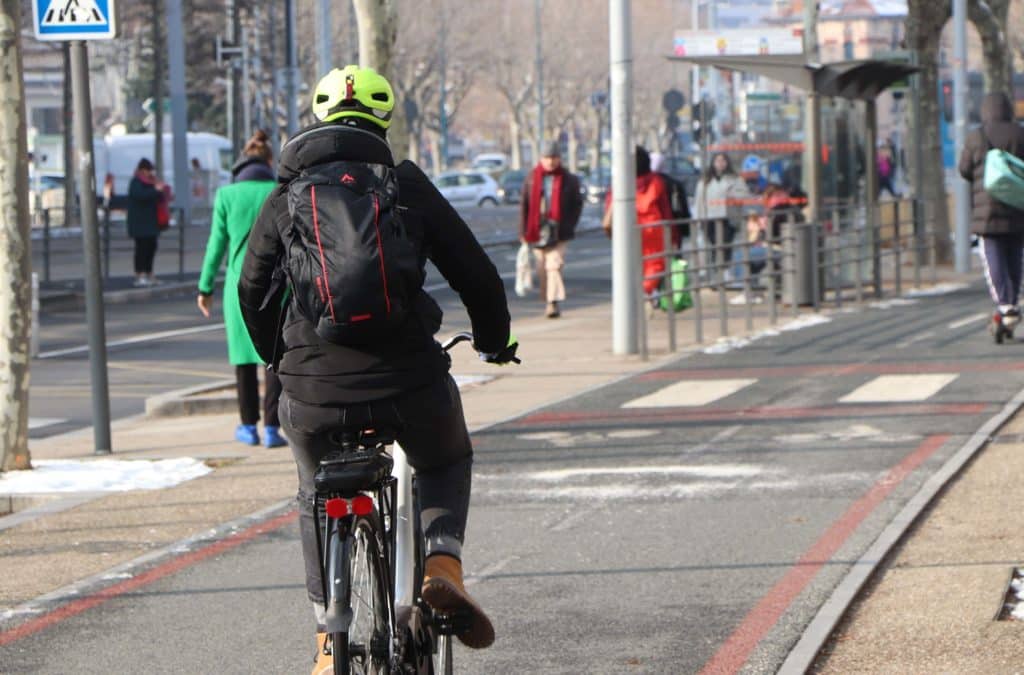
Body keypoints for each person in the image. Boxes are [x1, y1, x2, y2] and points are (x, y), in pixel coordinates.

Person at [237, 66, 513, 672]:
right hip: (407, 379)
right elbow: (476, 275)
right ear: (382, 121)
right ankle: (442, 564)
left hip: (312, 387)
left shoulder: (286, 197)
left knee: (315, 491)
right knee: (444, 458)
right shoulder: (404, 184)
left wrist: (279, 361)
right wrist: (495, 340)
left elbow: (251, 290)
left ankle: (326, 637)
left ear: (317, 118)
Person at [197, 130, 285, 448]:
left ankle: (248, 426)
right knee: (273, 357)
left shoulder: (227, 196)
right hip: (278, 285)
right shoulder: (278, 192)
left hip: (238, 287)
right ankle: (274, 427)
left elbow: (215, 246)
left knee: (243, 359)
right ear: (270, 161)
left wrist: (205, 287)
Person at [958, 91, 1024, 336]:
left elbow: (964, 169)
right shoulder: (1020, 133)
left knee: (994, 260)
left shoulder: (976, 137)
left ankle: (1006, 306)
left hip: (987, 213)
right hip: (1018, 208)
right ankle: (1012, 303)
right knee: (1015, 259)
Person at [519, 141, 583, 318]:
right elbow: (524, 205)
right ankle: (548, 297)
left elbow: (577, 204)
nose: (551, 161)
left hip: (560, 232)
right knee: (542, 269)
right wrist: (523, 232)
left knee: (554, 265)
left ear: (559, 159)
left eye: (554, 157)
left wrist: (570, 224)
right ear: (541, 158)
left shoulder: (569, 179)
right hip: (537, 231)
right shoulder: (532, 178)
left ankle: (552, 303)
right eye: (547, 157)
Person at [602, 146, 673, 299]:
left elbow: (609, 205)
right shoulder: (656, 181)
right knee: (654, 264)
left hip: (626, 229)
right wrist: (672, 235)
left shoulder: (620, 182)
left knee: (630, 264)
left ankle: (632, 295)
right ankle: (646, 291)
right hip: (653, 229)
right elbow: (665, 211)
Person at [694, 152, 749, 283]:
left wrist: (734, 197)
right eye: (717, 160)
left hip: (728, 217)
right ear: (713, 163)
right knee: (715, 245)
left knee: (725, 244)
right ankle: (718, 271)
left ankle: (725, 271)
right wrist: (699, 219)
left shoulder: (735, 179)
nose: (720, 163)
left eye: (723, 160)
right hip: (710, 218)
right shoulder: (705, 181)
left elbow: (744, 195)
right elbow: (699, 201)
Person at [126, 158, 171, 287]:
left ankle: (149, 272)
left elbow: (160, 197)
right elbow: (140, 195)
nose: (149, 173)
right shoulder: (136, 182)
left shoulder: (152, 182)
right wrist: (155, 190)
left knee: (151, 247)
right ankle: (140, 274)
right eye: (147, 170)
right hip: (140, 223)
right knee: (142, 249)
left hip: (151, 222)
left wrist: (162, 190)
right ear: (141, 170)